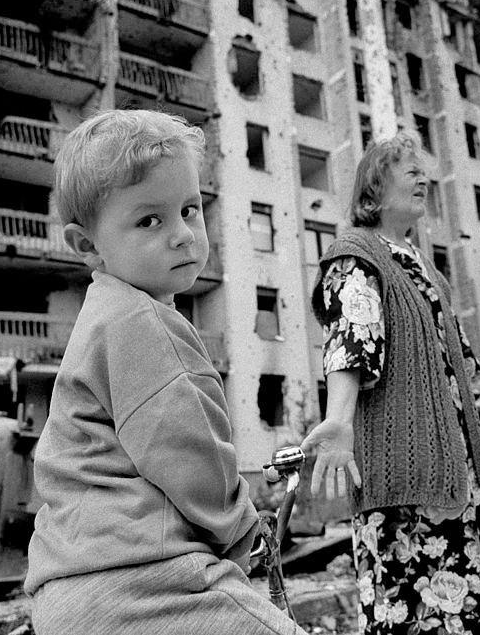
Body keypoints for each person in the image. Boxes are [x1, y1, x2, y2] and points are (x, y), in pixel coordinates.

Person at [25, 110, 306, 635]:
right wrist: (244, 531)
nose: (182, 235)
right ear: (87, 246)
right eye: (150, 220)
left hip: (71, 586)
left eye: (190, 209)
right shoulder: (143, 323)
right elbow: (188, 455)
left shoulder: (105, 315)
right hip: (142, 580)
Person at [301, 130, 480, 634]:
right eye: (407, 168)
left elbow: (459, 363)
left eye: (424, 170)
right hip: (403, 480)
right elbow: (351, 338)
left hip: (453, 473)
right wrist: (339, 421)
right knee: (418, 618)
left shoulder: (423, 267)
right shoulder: (357, 252)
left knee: (467, 611)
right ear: (371, 193)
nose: (423, 177)